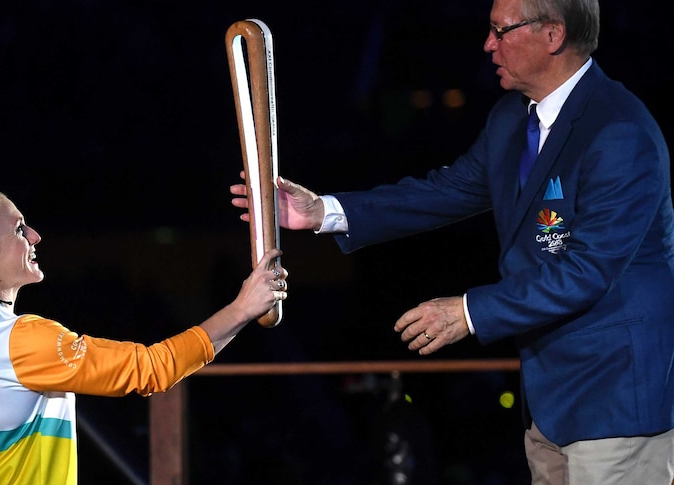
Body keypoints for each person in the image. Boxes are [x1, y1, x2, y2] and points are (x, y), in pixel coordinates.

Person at [230, 0, 674, 483]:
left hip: (618, 401)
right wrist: (323, 212)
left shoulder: (620, 131)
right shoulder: (511, 119)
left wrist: (466, 312)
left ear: (553, 35)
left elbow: (588, 271)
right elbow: (445, 191)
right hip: (550, 402)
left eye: (501, 30)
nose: (488, 44)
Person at [0, 188, 288, 484]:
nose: (34, 236)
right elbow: (152, 369)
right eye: (18, 228)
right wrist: (241, 309)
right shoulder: (23, 340)